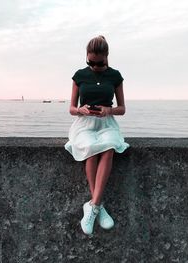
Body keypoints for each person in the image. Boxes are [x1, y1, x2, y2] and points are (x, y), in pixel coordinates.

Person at [64, 35, 130, 235]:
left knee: (109, 147)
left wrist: (108, 110)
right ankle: (98, 207)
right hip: (84, 123)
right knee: (91, 149)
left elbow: (122, 108)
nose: (94, 66)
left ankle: (92, 206)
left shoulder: (115, 76)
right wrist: (81, 109)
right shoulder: (79, 76)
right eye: (90, 62)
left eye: (98, 63)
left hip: (106, 122)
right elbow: (71, 108)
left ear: (107, 57)